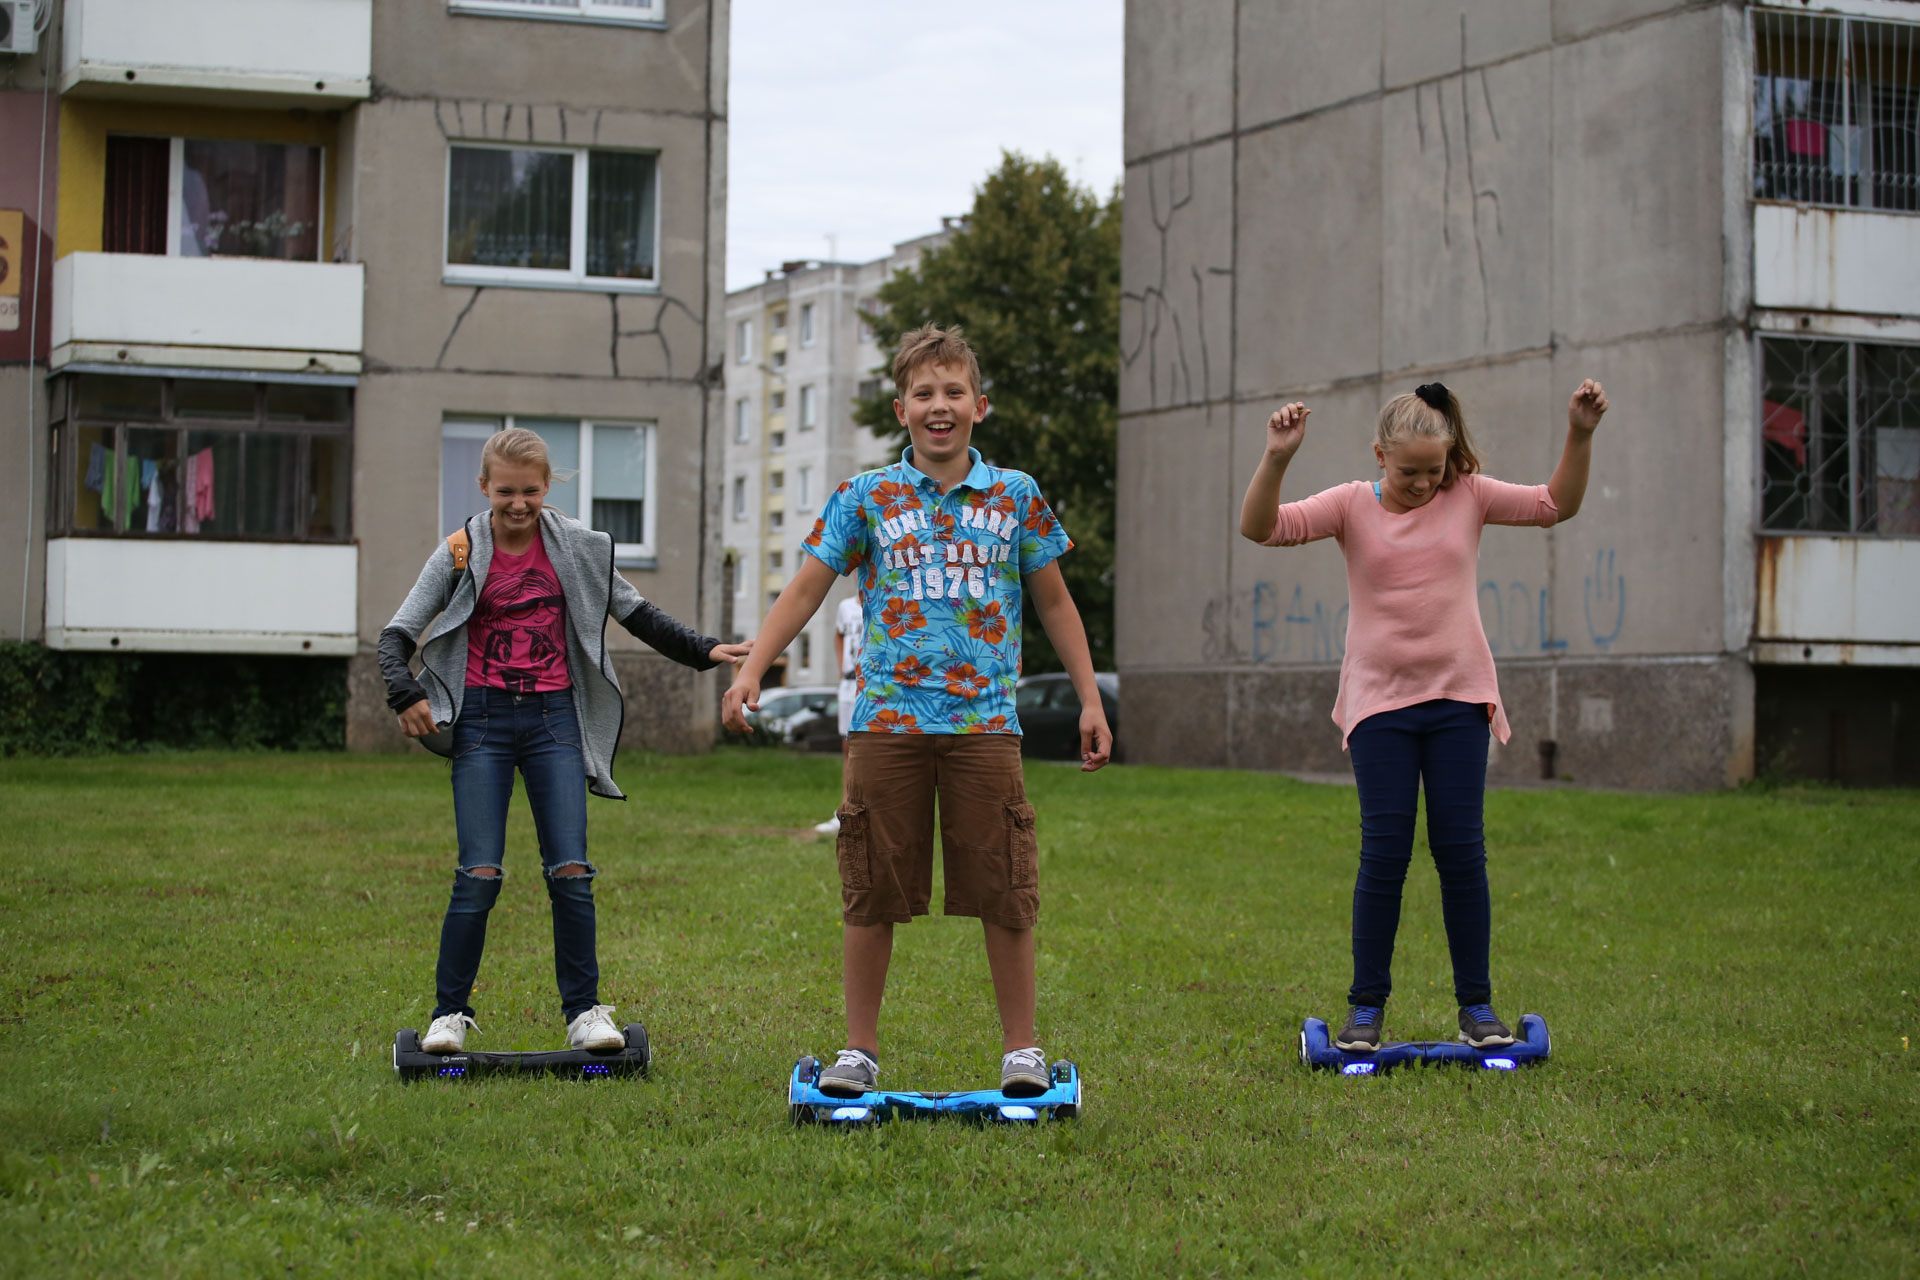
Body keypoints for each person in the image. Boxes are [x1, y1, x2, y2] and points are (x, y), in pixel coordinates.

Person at [723, 324, 1112, 1099]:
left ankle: (1022, 1054)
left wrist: (1091, 698)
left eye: (954, 393)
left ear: (980, 406)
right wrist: (753, 668)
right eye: (925, 395)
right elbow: (806, 587)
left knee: (1005, 886)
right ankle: (859, 1052)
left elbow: (1056, 601)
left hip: (985, 727)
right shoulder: (866, 497)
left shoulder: (1016, 495)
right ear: (902, 409)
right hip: (886, 725)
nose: (941, 407)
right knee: (871, 888)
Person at [1238, 379, 1609, 1052]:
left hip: (1459, 700)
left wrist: (1579, 434)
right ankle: (1365, 1012)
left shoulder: (1467, 495)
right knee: (1384, 855)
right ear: (1380, 455)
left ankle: (1478, 1009)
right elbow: (1260, 528)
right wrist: (1277, 456)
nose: (1421, 484)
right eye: (1408, 471)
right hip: (1380, 705)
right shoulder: (1351, 505)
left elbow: (1557, 504)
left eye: (1433, 471)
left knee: (1461, 852)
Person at [378, 427, 750, 1055]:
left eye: (530, 491)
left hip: (554, 721)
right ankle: (449, 1017)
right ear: (483, 488)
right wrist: (404, 694)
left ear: (547, 487)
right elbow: (397, 635)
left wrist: (703, 650)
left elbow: (635, 612)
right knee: (479, 872)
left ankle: (584, 1013)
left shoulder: (578, 547)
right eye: (505, 493)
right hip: (483, 725)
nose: (518, 504)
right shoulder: (461, 550)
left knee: (571, 871)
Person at [813, 593, 867, 836]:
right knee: (848, 747)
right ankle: (845, 811)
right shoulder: (845, 606)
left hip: (874, 685)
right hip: (848, 686)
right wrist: (841, 665)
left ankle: (866, 810)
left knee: (870, 746)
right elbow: (839, 635)